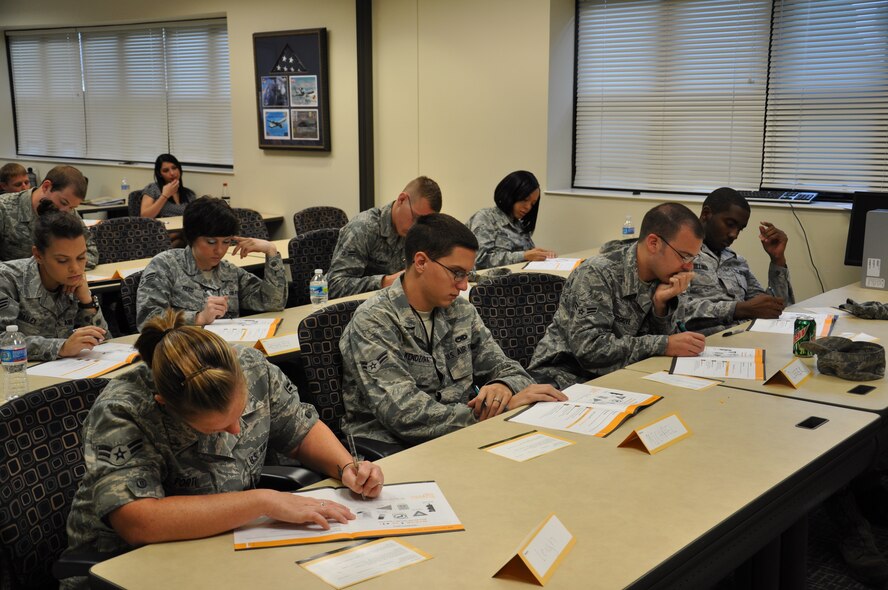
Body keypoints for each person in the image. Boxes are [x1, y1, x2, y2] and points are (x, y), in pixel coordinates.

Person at [62, 310, 383, 589]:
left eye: (240, 413)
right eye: (218, 427)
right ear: (167, 406)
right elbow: (139, 522)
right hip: (128, 564)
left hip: (226, 543)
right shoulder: (124, 410)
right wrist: (262, 501)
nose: (236, 431)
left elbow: (299, 430)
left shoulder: (250, 365)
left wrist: (347, 468)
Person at [340, 213, 567, 447]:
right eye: (457, 273)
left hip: (463, 436)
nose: (463, 285)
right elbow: (406, 415)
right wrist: (497, 411)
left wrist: (503, 386)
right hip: (394, 450)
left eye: (467, 274)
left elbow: (508, 369)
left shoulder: (460, 311)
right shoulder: (374, 321)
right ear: (420, 262)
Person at [528, 202, 707, 389]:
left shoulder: (666, 277)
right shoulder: (597, 273)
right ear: (653, 243)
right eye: (684, 256)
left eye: (693, 258)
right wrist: (663, 344)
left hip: (622, 377)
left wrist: (661, 307)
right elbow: (590, 350)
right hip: (562, 378)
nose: (689, 267)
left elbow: (670, 348)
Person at [136, 196, 286, 330]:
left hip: (228, 350)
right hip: (186, 354)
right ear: (192, 237)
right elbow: (147, 321)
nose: (219, 250)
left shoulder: (229, 271)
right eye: (211, 242)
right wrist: (198, 318)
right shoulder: (165, 266)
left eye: (226, 242)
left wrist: (271, 252)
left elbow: (273, 302)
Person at [675, 187, 795, 335]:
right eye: (730, 224)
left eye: (740, 229)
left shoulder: (737, 262)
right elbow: (676, 313)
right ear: (706, 214)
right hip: (706, 346)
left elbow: (773, 307)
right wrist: (738, 309)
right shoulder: (679, 254)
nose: (734, 234)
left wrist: (777, 259)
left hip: (748, 338)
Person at [0, 200, 107, 361]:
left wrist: (87, 302)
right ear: (38, 255)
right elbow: (3, 340)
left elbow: (104, 342)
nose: (76, 268)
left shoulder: (76, 283)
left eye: (81, 257)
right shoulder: (7, 279)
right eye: (63, 260)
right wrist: (61, 347)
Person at [327, 176, 442, 298]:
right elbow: (334, 286)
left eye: (423, 222)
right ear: (401, 199)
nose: (416, 227)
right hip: (358, 310)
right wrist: (384, 282)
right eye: (415, 218)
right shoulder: (362, 228)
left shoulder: (420, 231)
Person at [0, 165, 99, 269]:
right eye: (63, 202)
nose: (64, 211)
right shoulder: (3, 208)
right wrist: (45, 270)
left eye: (72, 207)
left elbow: (91, 253)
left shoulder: (69, 212)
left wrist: (62, 269)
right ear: (46, 186)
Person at [466, 170, 556, 269]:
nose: (528, 207)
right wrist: (524, 256)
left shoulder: (518, 224)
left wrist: (542, 255)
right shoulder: (485, 218)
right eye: (525, 200)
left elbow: (529, 255)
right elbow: (478, 261)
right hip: (490, 281)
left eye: (532, 204)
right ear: (510, 194)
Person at [139, 154, 197, 219]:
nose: (172, 173)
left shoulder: (189, 194)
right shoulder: (153, 189)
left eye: (174, 168)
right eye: (166, 171)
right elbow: (144, 216)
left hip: (184, 228)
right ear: (159, 174)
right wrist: (164, 195)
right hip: (162, 228)